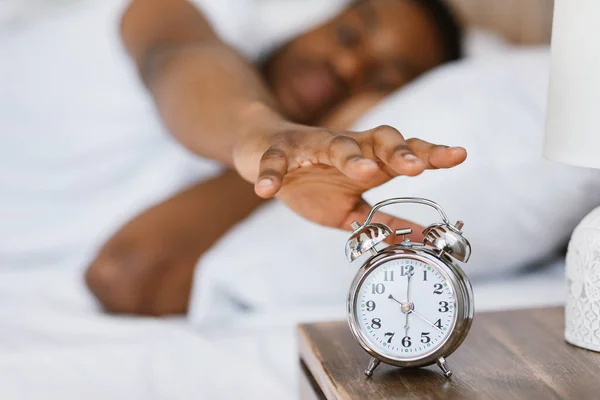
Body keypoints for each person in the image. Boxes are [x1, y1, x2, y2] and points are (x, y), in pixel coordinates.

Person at [81, 0, 467, 315]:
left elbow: (123, 274)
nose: (347, 67)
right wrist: (263, 134)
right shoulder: (197, 14)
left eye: (383, 80)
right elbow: (180, 55)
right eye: (347, 35)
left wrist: (290, 155)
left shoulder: (299, 166)